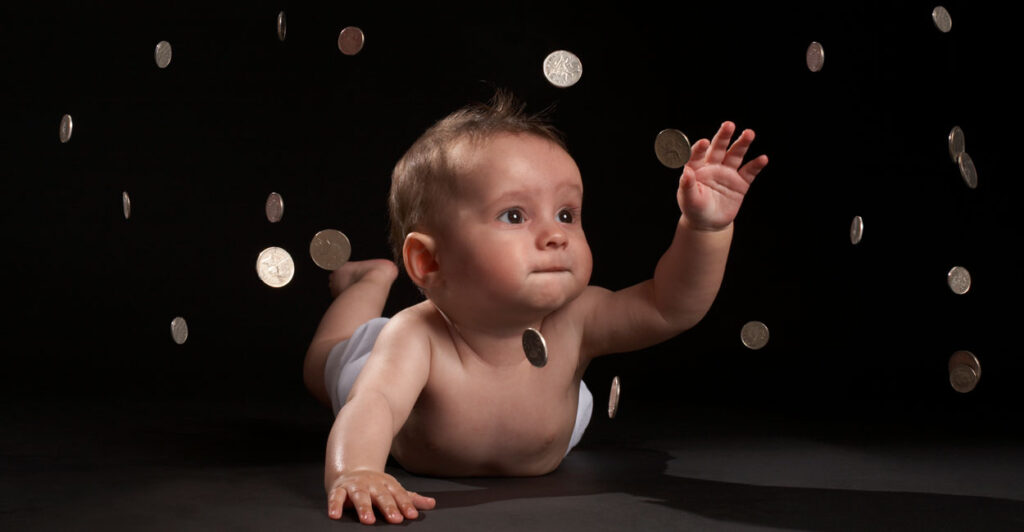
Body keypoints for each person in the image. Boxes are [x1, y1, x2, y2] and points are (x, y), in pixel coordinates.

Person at [303, 91, 768, 525]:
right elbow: (376, 403)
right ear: (429, 261)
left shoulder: (577, 318)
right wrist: (357, 469)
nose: (556, 234)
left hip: (556, 413)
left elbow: (670, 306)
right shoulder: (414, 335)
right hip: (376, 377)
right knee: (328, 357)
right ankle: (369, 280)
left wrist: (703, 231)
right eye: (514, 216)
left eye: (566, 214)